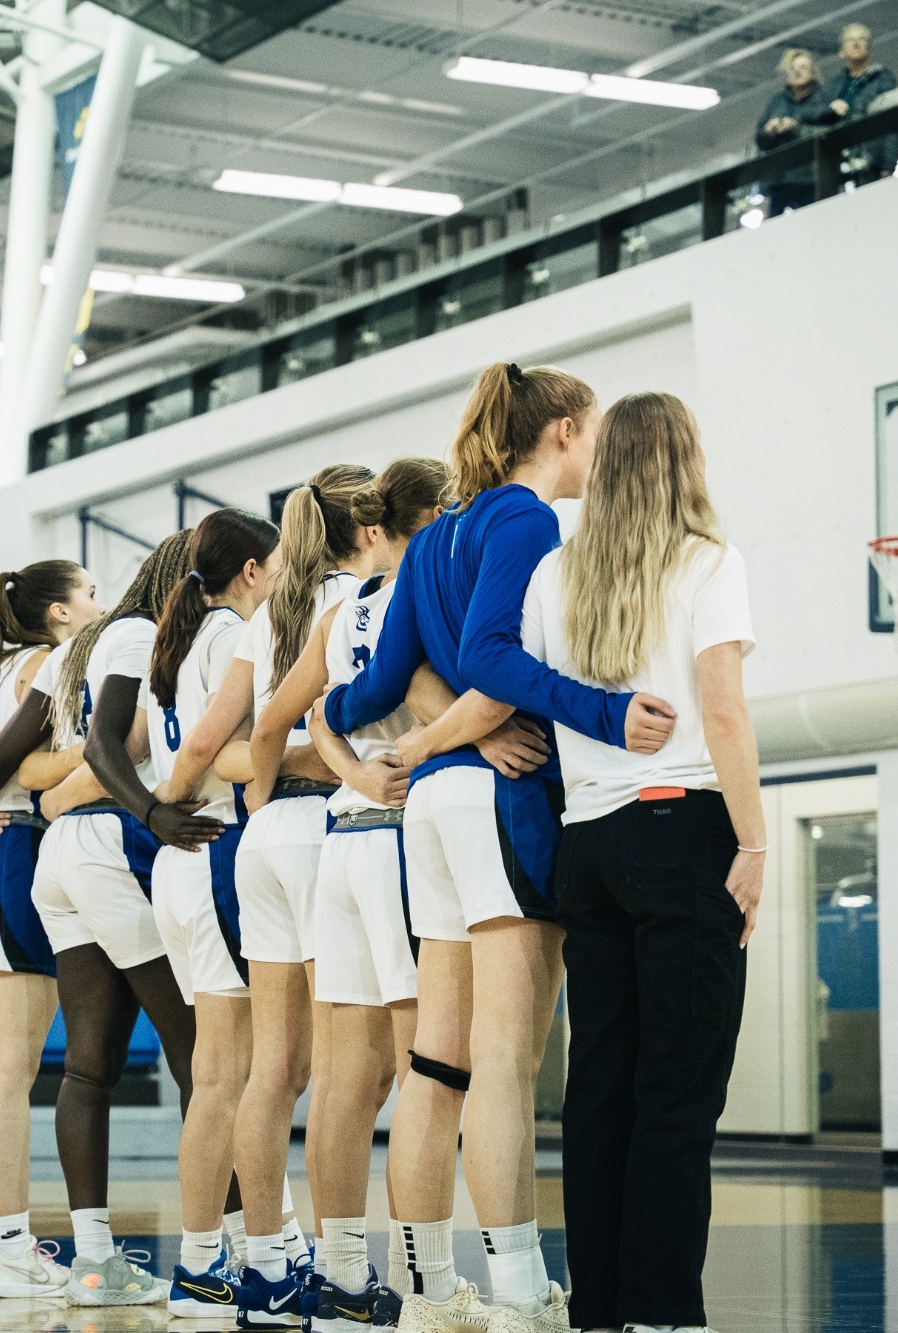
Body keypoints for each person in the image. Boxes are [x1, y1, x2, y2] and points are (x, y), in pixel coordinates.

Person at [322, 362, 675, 1333]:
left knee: (437, 1065)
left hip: (432, 812)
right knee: (505, 1061)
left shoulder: (435, 534)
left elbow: (375, 687)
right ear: (562, 431)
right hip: (495, 800)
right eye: (592, 429)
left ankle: (429, 1292)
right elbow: (490, 661)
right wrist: (592, 712)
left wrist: (355, 735)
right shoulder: (524, 518)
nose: (597, 447)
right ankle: (520, 1293)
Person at [521, 392, 761, 1333]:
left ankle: (601, 1309)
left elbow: (526, 692)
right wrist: (754, 842)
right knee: (678, 1090)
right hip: (683, 829)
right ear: (684, 459)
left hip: (588, 843)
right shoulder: (709, 560)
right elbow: (724, 711)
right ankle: (660, 1313)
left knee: (600, 1089)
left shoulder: (554, 574)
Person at [0, 532, 208, 1298]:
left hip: (58, 855)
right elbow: (112, 745)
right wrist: (146, 803)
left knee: (89, 1063)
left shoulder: (73, 649)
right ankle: (220, 1254)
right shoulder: (136, 636)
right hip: (111, 843)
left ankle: (95, 1258)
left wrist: (27, 798)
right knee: (199, 1049)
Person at [218, 466, 378, 1313]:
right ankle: (341, 1267)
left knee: (272, 1069)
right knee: (351, 1068)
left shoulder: (268, 612)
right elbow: (340, 727)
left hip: (263, 834)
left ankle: (266, 1266)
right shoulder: (353, 599)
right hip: (323, 828)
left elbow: (232, 740)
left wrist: (259, 784)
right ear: (368, 521)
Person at [297, 456, 449, 1328]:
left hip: (344, 835)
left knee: (347, 1080)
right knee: (427, 1068)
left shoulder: (342, 605)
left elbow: (318, 714)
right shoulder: (409, 593)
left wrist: (352, 771)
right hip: (395, 835)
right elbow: (427, 694)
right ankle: (427, 1283)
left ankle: (342, 1277)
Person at [0, 560, 118, 1300]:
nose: (99, 604)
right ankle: (13, 1247)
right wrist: (106, 745)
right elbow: (21, 767)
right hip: (8, 846)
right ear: (57, 612)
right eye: (89, 593)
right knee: (7, 1072)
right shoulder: (49, 662)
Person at [141, 509, 284, 1318]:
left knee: (218, 1075)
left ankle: (222, 1253)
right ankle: (216, 1260)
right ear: (252, 570)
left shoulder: (181, 637)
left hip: (180, 862)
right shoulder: (232, 633)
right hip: (213, 847)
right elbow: (212, 750)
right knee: (233, 1076)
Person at [755, 48, 834, 214]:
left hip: (811, 179)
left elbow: (830, 133)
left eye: (803, 67)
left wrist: (795, 128)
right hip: (778, 180)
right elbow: (760, 139)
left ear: (813, 72)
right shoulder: (777, 101)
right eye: (792, 68)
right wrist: (769, 131)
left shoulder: (825, 98)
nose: (797, 72)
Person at [828, 24, 898, 183]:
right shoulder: (833, 86)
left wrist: (888, 164)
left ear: (869, 46)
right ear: (842, 50)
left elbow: (891, 121)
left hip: (872, 162)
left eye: (862, 39)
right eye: (851, 40)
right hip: (840, 164)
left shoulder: (883, 79)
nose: (856, 44)